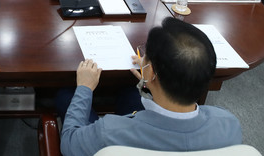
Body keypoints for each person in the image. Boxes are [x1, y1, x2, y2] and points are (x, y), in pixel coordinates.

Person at [60, 18, 242, 156]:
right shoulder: (229, 124)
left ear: (152, 71)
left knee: (64, 96)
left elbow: (68, 143)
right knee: (129, 93)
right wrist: (150, 79)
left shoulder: (109, 132)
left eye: (145, 54)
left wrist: (84, 87)